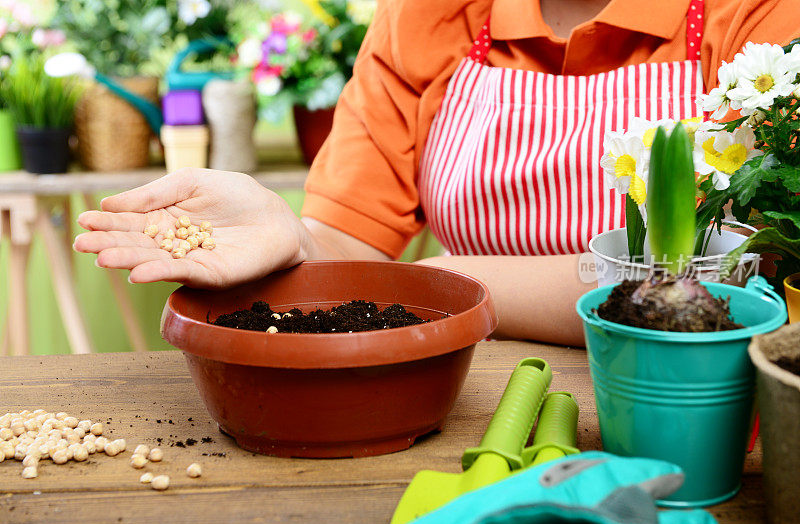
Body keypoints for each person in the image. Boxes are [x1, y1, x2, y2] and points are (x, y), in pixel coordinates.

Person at [74, 0, 800, 346]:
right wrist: (290, 239)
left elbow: (726, 279)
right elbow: (349, 246)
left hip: (675, 411)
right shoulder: (429, 16)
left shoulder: (761, 19)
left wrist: (445, 281)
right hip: (453, 397)